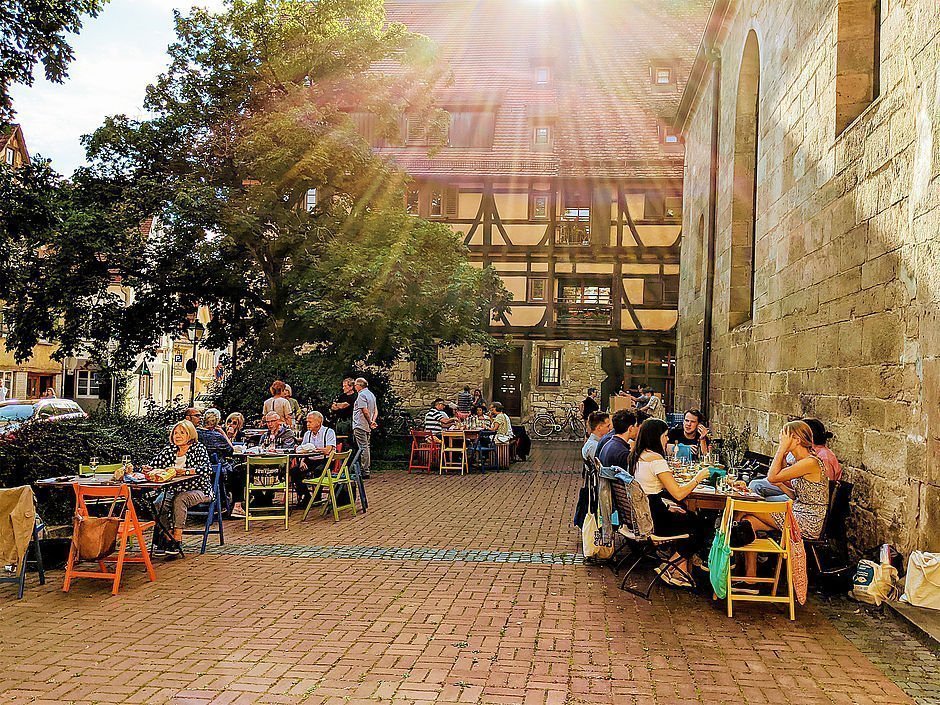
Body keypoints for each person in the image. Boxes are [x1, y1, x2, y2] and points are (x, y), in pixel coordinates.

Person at [736, 421, 829, 579]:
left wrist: (781, 449)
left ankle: (728, 551)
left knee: (744, 507)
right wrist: (780, 483)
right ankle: (750, 578)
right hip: (797, 511)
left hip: (808, 520)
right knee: (748, 521)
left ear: (797, 440)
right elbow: (794, 494)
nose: (781, 439)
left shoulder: (810, 462)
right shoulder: (802, 462)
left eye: (785, 437)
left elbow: (771, 476)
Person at [628, 418, 710, 588]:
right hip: (655, 521)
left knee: (689, 517)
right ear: (656, 437)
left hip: (646, 514)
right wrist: (698, 478)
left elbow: (649, 490)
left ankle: (680, 569)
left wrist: (666, 505)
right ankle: (670, 566)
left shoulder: (638, 455)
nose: (667, 440)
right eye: (665, 436)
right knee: (702, 526)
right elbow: (679, 493)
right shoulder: (656, 459)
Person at [145, 420, 213, 556]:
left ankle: (177, 539)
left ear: (190, 434)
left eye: (182, 433)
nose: (177, 436)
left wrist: (185, 472)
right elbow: (153, 464)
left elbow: (206, 469)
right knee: (158, 503)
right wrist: (148, 468)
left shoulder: (198, 448)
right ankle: (166, 536)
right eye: (175, 433)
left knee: (179, 500)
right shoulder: (169, 450)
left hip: (199, 489)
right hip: (173, 489)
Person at [749, 417, 842, 501]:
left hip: (807, 511)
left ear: (799, 439)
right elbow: (795, 489)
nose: (784, 440)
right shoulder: (803, 455)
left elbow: (822, 491)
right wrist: (780, 482)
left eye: (787, 437)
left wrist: (781, 449)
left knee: (760, 501)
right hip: (799, 499)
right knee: (755, 493)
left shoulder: (818, 458)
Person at [291, 411, 337, 508]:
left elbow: (328, 450)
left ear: (319, 422)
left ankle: (317, 497)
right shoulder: (307, 434)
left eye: (310, 422)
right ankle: (306, 496)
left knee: (318, 471)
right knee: (294, 471)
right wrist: (302, 461)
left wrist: (313, 449)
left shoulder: (329, 432)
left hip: (324, 460)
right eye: (307, 422)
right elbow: (303, 449)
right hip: (310, 460)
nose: (307, 424)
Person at [353, 377, 378, 478]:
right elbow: (375, 410)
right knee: (366, 446)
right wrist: (373, 421)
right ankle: (365, 469)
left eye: (355, 385)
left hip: (360, 424)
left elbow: (365, 410)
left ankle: (364, 470)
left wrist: (369, 421)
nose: (354, 387)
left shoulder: (361, 395)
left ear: (359, 385)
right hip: (367, 426)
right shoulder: (371, 395)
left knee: (363, 447)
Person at [330, 377, 358, 443]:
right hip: (339, 420)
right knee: (338, 440)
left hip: (348, 421)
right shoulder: (342, 396)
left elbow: (344, 405)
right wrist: (338, 405)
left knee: (347, 440)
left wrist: (337, 405)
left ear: (351, 387)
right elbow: (333, 407)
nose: (343, 388)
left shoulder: (354, 396)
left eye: (345, 386)